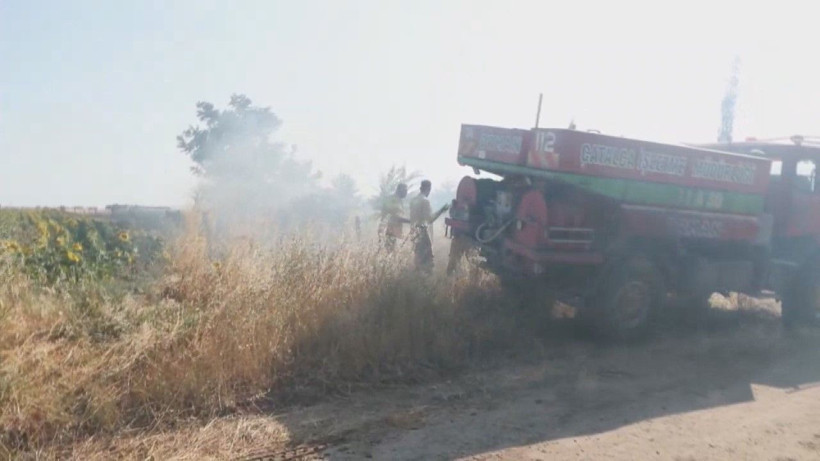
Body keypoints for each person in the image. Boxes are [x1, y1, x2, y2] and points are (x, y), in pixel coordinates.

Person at [409, 180, 449, 273]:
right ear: (429, 189)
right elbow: (429, 219)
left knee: (418, 258)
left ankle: (416, 279)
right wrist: (441, 210)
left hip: (414, 231)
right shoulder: (425, 201)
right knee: (427, 262)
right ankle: (424, 283)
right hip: (422, 232)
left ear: (420, 188)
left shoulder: (414, 200)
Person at [380, 183, 409, 252]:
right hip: (390, 232)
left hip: (393, 232)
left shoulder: (397, 200)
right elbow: (396, 217)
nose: (406, 193)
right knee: (390, 254)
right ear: (399, 190)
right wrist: (411, 221)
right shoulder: (394, 200)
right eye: (405, 190)